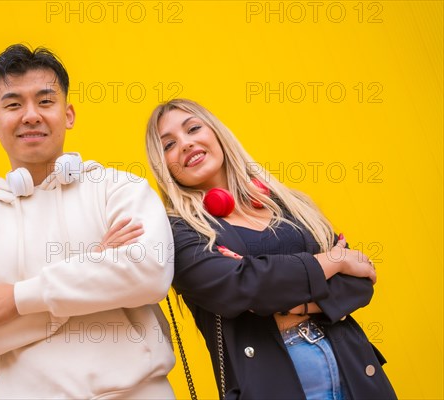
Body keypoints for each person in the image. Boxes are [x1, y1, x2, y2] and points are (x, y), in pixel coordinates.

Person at [0, 44, 176, 399]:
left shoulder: (119, 189)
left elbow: (149, 274)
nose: (31, 115)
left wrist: (15, 300)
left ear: (69, 114)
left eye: (45, 101)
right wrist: (95, 270)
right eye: (14, 104)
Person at [145, 98, 397, 399]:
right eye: (169, 144)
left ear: (216, 133)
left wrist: (275, 299)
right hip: (274, 382)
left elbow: (358, 284)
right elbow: (242, 287)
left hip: (352, 367)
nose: (185, 144)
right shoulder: (179, 232)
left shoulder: (291, 204)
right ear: (164, 165)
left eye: (193, 128)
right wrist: (333, 260)